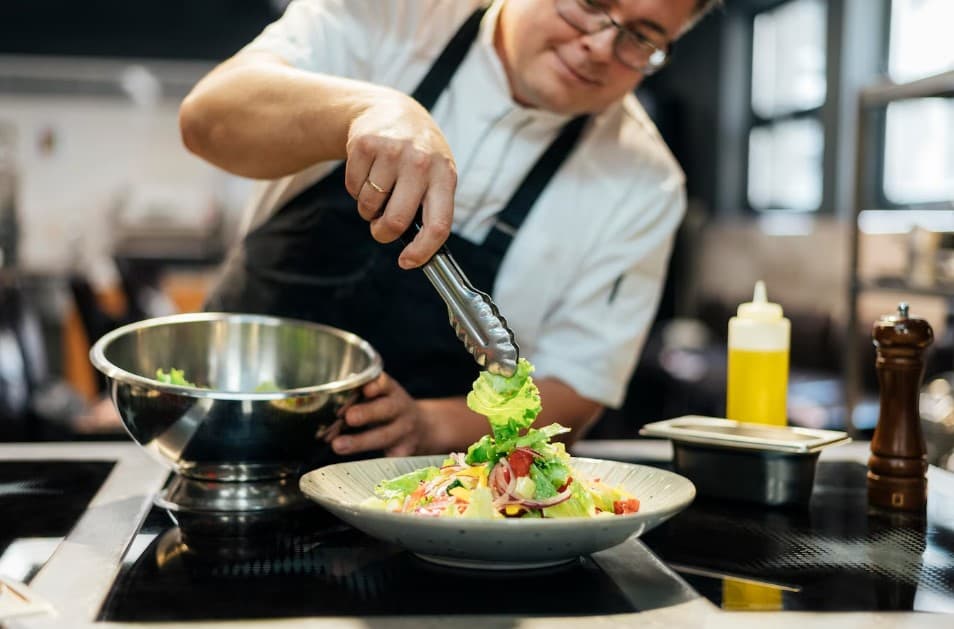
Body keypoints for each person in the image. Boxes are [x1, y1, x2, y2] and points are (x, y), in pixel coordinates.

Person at [179, 0, 719, 458]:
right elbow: (206, 121)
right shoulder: (394, 15)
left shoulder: (645, 182)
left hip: (425, 495)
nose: (601, 45)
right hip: (224, 431)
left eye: (642, 39)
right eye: (589, 3)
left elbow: (577, 389)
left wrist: (430, 426)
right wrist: (367, 109)